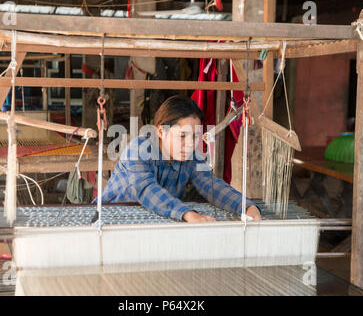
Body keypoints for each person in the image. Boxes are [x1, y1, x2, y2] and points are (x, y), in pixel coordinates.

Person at [94, 95, 262, 223]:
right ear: (161, 131)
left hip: (153, 223)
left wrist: (247, 206)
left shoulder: (192, 157)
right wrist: (188, 214)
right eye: (182, 136)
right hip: (110, 219)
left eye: (195, 136)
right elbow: (147, 190)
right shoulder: (138, 150)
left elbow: (212, 186)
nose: (190, 144)